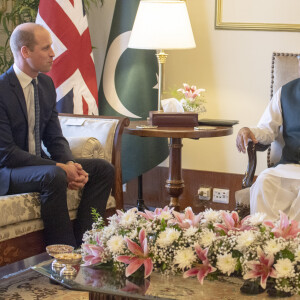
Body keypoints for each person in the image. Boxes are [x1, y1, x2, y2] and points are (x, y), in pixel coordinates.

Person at [0, 23, 114, 247]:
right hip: (8, 172)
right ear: (25, 52)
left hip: (40, 165)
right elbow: (6, 153)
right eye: (46, 48)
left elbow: (54, 137)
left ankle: (87, 246)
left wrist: (69, 162)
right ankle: (64, 256)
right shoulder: (2, 90)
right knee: (54, 175)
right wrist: (60, 168)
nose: (53, 53)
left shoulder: (45, 84)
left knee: (102, 169)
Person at [236, 75, 300, 221]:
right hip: (290, 165)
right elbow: (266, 129)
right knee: (265, 181)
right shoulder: (285, 92)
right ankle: (265, 239)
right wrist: (249, 131)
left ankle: (293, 241)